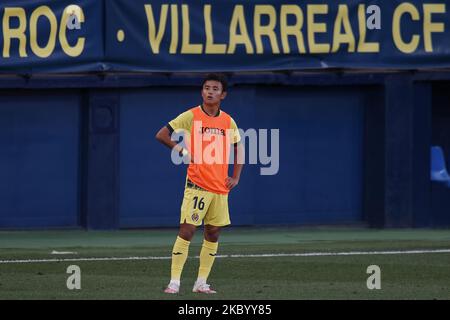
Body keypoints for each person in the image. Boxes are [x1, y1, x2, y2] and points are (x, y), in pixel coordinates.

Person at [155, 73, 243, 294]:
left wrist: (236, 176)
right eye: (206, 87)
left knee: (213, 233)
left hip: (220, 188)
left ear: (223, 94)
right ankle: (174, 281)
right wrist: (183, 151)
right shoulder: (191, 116)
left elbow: (238, 148)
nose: (210, 91)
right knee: (187, 230)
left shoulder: (228, 120)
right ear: (202, 91)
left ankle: (201, 282)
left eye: (215, 88)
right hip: (197, 185)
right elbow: (162, 134)